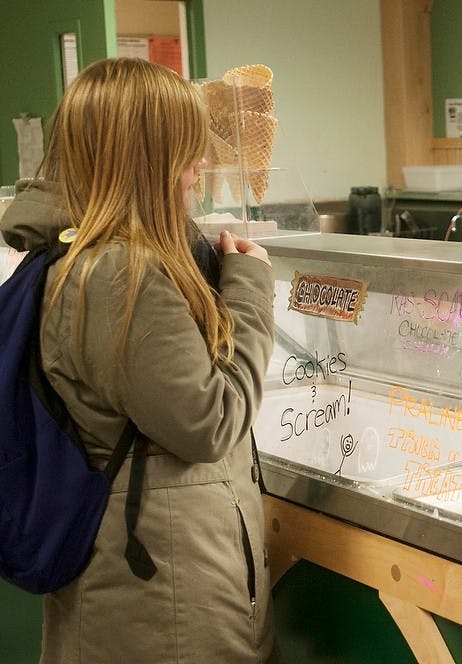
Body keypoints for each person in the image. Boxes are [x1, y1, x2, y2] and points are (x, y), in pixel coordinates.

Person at [0, 58, 280, 663]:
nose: (199, 167)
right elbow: (210, 422)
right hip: (163, 603)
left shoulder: (79, 255)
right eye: (186, 151)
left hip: (145, 583)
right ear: (143, 160)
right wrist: (251, 289)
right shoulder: (120, 275)